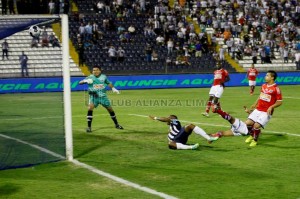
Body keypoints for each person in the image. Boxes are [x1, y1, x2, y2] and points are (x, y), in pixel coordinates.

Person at [212, 70, 283, 147]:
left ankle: (255, 140)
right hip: (258, 109)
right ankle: (252, 135)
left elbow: (279, 102)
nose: (265, 77)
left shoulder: (276, 88)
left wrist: (271, 107)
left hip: (266, 112)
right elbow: (261, 96)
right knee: (247, 124)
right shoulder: (263, 85)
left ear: (272, 77)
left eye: (267, 75)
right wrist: (254, 104)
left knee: (256, 126)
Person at [79, 66, 123, 132]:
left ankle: (116, 124)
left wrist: (113, 88)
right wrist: (86, 81)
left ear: (100, 71)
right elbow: (80, 82)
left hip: (103, 97)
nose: (95, 71)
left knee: (110, 109)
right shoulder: (90, 77)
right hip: (94, 97)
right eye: (94, 70)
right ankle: (89, 127)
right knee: (90, 108)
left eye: (97, 70)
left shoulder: (104, 76)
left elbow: (109, 83)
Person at [149, 115, 219, 150]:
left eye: (169, 117)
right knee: (170, 144)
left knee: (190, 126)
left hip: (178, 136)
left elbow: (165, 119)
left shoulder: (175, 121)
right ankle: (191, 147)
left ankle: (208, 138)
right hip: (176, 141)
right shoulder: (172, 126)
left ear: (172, 119)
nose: (168, 119)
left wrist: (156, 118)